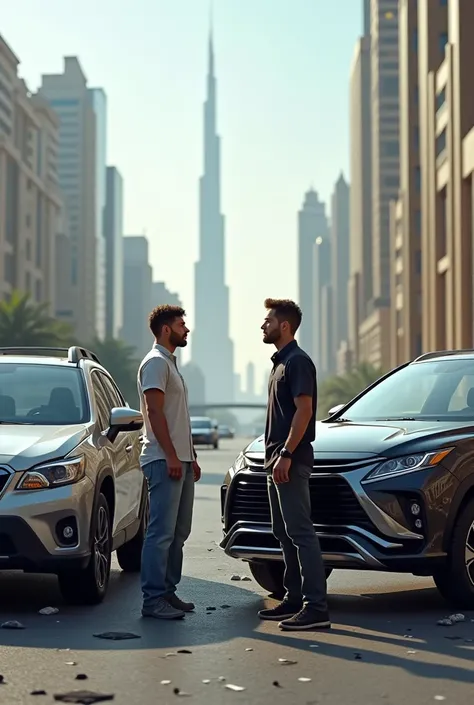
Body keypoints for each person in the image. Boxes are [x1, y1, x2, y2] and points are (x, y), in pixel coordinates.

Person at [257, 298, 330, 631]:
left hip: (291, 460)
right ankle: (294, 598)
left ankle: (316, 608)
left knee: (301, 533)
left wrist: (286, 454)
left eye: (268, 320)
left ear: (284, 325)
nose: (263, 325)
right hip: (275, 461)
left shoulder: (298, 362)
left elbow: (305, 411)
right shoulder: (279, 363)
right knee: (283, 533)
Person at [137, 304, 201, 620]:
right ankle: (152, 600)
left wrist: (192, 457)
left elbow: (178, 417)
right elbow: (154, 412)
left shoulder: (171, 365)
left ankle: (167, 591)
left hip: (181, 460)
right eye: (181, 324)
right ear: (166, 329)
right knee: (160, 533)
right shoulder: (155, 363)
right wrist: (173, 456)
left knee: (179, 532)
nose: (186, 329)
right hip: (163, 460)